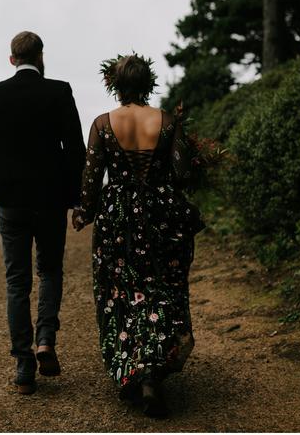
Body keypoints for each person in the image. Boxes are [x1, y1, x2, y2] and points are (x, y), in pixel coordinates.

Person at [71, 54, 205, 418]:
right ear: (149, 84)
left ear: (114, 85)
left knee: (120, 290)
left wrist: (84, 212)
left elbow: (92, 176)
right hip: (162, 215)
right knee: (162, 286)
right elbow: (180, 174)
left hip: (118, 217)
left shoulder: (102, 124)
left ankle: (133, 367)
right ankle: (154, 369)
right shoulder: (168, 121)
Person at [0, 31, 86, 395]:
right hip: (50, 198)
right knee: (49, 270)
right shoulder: (59, 91)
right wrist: (75, 196)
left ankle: (23, 363)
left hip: (11, 200)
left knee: (16, 281)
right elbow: (76, 150)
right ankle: (45, 339)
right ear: (41, 56)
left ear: (12, 59)